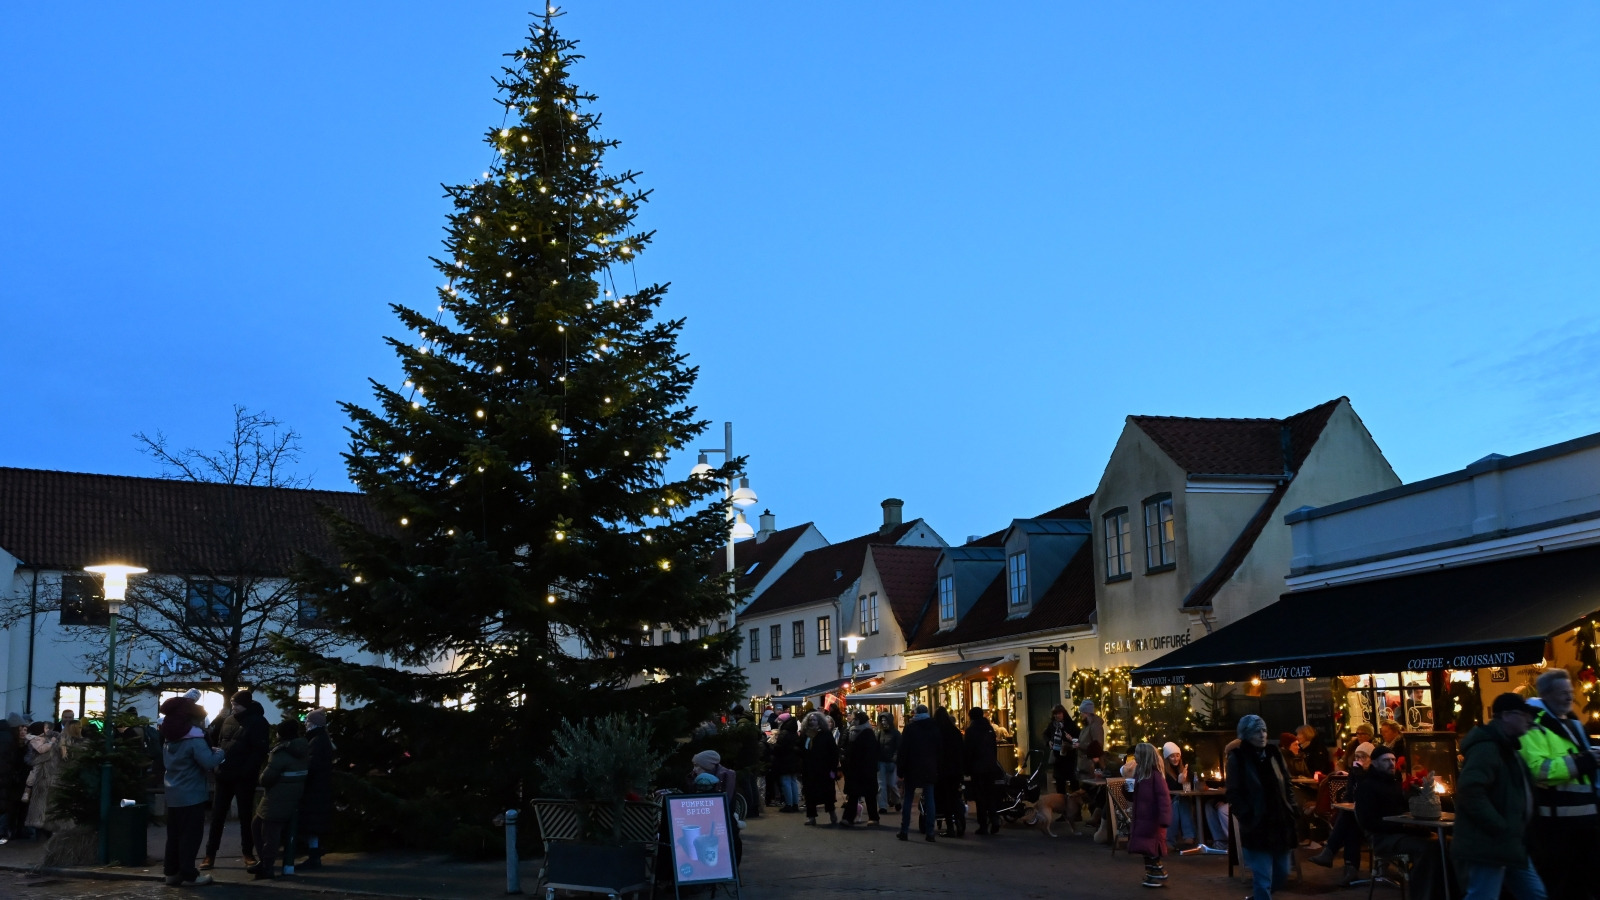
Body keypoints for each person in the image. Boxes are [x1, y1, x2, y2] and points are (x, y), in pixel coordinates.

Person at [1454, 693, 1546, 900]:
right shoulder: (1488, 748)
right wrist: (1499, 826)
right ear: (1505, 715)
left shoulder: (1506, 747)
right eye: (1523, 714)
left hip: (1506, 842)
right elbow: (1470, 790)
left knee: (1534, 894)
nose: (1529, 720)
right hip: (1489, 844)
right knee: (1484, 896)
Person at [1518, 669, 1600, 900]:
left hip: (1586, 824)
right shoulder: (1533, 727)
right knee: (1561, 888)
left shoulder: (1572, 722)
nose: (1569, 697)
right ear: (1545, 695)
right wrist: (1583, 761)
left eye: (1570, 692)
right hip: (1555, 828)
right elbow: (1538, 770)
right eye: (1562, 692)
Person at [1226, 715, 1296, 900]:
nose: (1262, 734)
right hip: (1257, 824)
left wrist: (1292, 806)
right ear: (1247, 734)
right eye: (1257, 731)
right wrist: (1246, 815)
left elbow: (1286, 782)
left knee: (1282, 872)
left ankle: (1259, 896)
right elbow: (1233, 792)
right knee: (1263, 877)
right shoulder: (1238, 758)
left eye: (1264, 730)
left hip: (1280, 822)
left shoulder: (1274, 753)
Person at [1354, 746, 1439, 900]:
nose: (1391, 763)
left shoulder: (1395, 783)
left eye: (1393, 759)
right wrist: (1404, 826)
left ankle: (1442, 891)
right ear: (1374, 763)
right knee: (1428, 848)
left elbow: (1403, 811)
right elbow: (1369, 822)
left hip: (1399, 832)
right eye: (1386, 760)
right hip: (1382, 838)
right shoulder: (1367, 786)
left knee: (1445, 843)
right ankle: (1422, 894)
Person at [160, 694, 223, 887]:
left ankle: (171, 873)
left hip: (173, 793)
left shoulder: (169, 738)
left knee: (174, 836)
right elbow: (208, 762)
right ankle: (189, 874)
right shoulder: (194, 738)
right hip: (192, 793)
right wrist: (220, 753)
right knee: (191, 836)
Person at [203, 690, 270, 869]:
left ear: (245, 705)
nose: (233, 707)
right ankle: (210, 854)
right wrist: (218, 766)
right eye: (232, 704)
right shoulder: (228, 720)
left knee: (245, 816)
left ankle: (247, 852)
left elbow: (259, 751)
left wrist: (246, 771)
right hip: (224, 774)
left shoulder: (257, 722)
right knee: (217, 816)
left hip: (242, 777)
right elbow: (220, 742)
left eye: (236, 704)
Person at [247, 720, 309, 881]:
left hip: (277, 797)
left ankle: (267, 866)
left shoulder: (280, 753)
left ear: (280, 734)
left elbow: (266, 778)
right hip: (291, 795)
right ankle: (264, 863)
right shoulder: (302, 749)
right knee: (259, 826)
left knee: (268, 832)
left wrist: (261, 776)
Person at [1308, 740, 1373, 882]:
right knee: (1350, 824)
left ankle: (1331, 852)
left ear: (1371, 758)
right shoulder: (1354, 773)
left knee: (1349, 821)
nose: (1359, 760)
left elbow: (1367, 794)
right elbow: (1349, 795)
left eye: (1363, 757)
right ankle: (1350, 869)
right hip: (1357, 816)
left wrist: (1361, 776)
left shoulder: (1373, 775)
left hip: (1372, 817)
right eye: (1357, 757)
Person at [895, 704, 941, 843]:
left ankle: (904, 830)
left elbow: (903, 750)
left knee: (908, 798)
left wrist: (900, 770)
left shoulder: (910, 728)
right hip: (929, 768)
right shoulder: (934, 727)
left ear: (915, 714)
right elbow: (939, 749)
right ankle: (930, 832)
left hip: (912, 768)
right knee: (930, 799)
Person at [1130, 742, 1172, 888]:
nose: (1134, 756)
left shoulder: (1155, 776)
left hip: (1152, 820)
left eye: (1137, 753)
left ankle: (1159, 875)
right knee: (1146, 849)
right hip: (1142, 819)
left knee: (1152, 849)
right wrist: (1127, 790)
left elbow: (1164, 799)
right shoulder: (1140, 773)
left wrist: (1164, 819)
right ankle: (1151, 875)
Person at [296, 709, 334, 869]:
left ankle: (314, 855)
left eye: (308, 722)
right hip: (320, 787)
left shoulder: (316, 741)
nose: (305, 724)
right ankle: (315, 852)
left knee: (311, 823)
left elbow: (311, 765)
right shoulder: (322, 739)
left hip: (314, 789)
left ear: (314, 724)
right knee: (314, 823)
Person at [964, 707, 1003, 836]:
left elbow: (968, 751)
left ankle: (983, 825)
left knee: (980, 797)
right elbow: (994, 748)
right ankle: (995, 819)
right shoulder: (989, 729)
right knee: (990, 794)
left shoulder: (971, 731)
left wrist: (967, 768)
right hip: (990, 767)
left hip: (977, 768)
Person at [22, 721, 64, 835]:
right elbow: (40, 754)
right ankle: (36, 827)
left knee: (46, 803)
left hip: (49, 775)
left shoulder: (49, 739)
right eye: (45, 728)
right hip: (41, 776)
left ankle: (45, 827)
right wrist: (51, 744)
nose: (47, 730)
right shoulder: (35, 740)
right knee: (38, 801)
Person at [840, 711, 879, 827]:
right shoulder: (852, 731)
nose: (852, 720)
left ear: (859, 720)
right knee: (853, 794)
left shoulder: (867, 733)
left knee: (869, 794)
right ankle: (848, 818)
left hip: (866, 769)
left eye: (854, 719)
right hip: (854, 768)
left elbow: (871, 753)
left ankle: (873, 817)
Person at [799, 711, 838, 826]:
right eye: (810, 720)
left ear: (819, 722)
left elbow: (833, 752)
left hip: (824, 769)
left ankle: (832, 813)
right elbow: (802, 750)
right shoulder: (805, 734)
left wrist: (833, 769)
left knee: (827, 793)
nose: (812, 722)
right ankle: (811, 817)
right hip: (809, 769)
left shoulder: (826, 734)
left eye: (814, 720)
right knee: (810, 794)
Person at [933, 707, 966, 837]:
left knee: (944, 798)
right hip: (955, 770)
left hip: (941, 771)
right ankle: (959, 821)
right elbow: (961, 751)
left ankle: (950, 826)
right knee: (955, 797)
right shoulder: (955, 732)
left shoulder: (936, 732)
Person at [1161, 742, 1198, 848]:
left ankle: (1171, 840)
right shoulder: (1164, 770)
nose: (1175, 758)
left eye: (1177, 755)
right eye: (1172, 756)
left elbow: (1190, 786)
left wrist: (1186, 779)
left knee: (1182, 801)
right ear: (1167, 757)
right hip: (1169, 800)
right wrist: (1179, 782)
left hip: (1183, 799)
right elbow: (1169, 788)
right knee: (1178, 802)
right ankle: (1188, 837)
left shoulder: (1184, 768)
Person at [1043, 704, 1080, 795]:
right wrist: (1049, 742)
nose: (1057, 716)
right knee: (1060, 783)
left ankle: (1075, 805)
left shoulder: (1071, 725)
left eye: (1059, 713)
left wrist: (1071, 740)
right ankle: (1061, 804)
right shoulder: (1052, 725)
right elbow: (1045, 735)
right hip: (1057, 758)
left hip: (1069, 757)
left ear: (1063, 714)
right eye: (1055, 714)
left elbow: (1078, 737)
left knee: (1073, 782)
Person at [772, 714, 802, 812]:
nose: (778, 722)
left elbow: (779, 747)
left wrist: (774, 745)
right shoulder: (793, 731)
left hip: (785, 760)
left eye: (780, 720)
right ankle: (795, 803)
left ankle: (789, 804)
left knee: (785, 781)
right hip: (793, 760)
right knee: (793, 781)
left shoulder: (784, 732)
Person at [876, 713, 901, 812]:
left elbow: (898, 748)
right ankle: (882, 806)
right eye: (882, 721)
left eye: (885, 720)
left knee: (892, 784)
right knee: (881, 785)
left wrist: (894, 760)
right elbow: (877, 747)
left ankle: (897, 801)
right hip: (881, 761)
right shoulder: (879, 733)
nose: (883, 722)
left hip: (891, 762)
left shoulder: (896, 733)